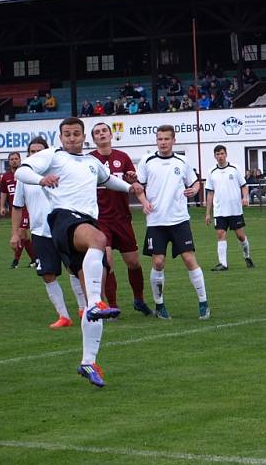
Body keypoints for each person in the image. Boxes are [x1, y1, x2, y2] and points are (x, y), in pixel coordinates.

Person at [16, 117, 143, 387]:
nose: (72, 138)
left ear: (83, 136)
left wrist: (130, 187)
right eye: (67, 134)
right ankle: (98, 301)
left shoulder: (91, 162)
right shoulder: (53, 155)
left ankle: (88, 361)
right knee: (99, 239)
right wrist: (41, 179)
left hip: (84, 221)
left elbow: (109, 180)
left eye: (76, 134)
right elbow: (21, 172)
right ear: (60, 137)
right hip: (64, 219)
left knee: (93, 287)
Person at [135, 124, 210, 320]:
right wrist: (143, 202)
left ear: (173, 141)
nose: (163, 142)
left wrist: (194, 189)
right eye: (160, 139)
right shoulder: (147, 160)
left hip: (179, 219)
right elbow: (138, 186)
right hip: (156, 221)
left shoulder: (182, 161)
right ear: (156, 140)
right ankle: (159, 305)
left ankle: (203, 302)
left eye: (166, 139)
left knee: (189, 259)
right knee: (158, 262)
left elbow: (195, 182)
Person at [9, 137, 84, 329]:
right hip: (40, 232)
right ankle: (63, 316)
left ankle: (84, 308)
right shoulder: (24, 179)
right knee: (47, 274)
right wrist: (15, 233)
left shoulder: (59, 172)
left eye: (39, 151)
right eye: (32, 152)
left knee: (75, 269)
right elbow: (17, 207)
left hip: (64, 229)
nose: (35, 155)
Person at [89, 122, 153, 316]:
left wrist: (144, 201)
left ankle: (139, 300)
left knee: (133, 262)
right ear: (93, 139)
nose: (101, 134)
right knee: (107, 261)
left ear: (111, 135)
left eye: (104, 131)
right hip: (100, 220)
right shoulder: (89, 160)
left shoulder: (123, 157)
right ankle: (112, 305)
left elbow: (134, 183)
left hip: (122, 219)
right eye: (97, 132)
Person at [205, 145, 254, 271]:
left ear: (226, 154)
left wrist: (245, 197)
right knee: (220, 234)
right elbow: (210, 193)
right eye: (217, 154)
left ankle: (247, 256)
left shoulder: (234, 169)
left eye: (222, 153)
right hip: (220, 210)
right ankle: (223, 264)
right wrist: (208, 213)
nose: (220, 156)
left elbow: (244, 186)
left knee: (240, 236)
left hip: (235, 209)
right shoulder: (211, 172)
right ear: (214, 156)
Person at [0, 151, 37, 268]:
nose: (14, 161)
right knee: (24, 236)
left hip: (26, 208)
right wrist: (2, 206)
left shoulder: (25, 173)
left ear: (20, 160)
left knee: (20, 233)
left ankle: (15, 261)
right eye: (12, 159)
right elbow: (4, 192)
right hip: (15, 210)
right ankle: (35, 259)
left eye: (16, 158)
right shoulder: (5, 177)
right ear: (9, 162)